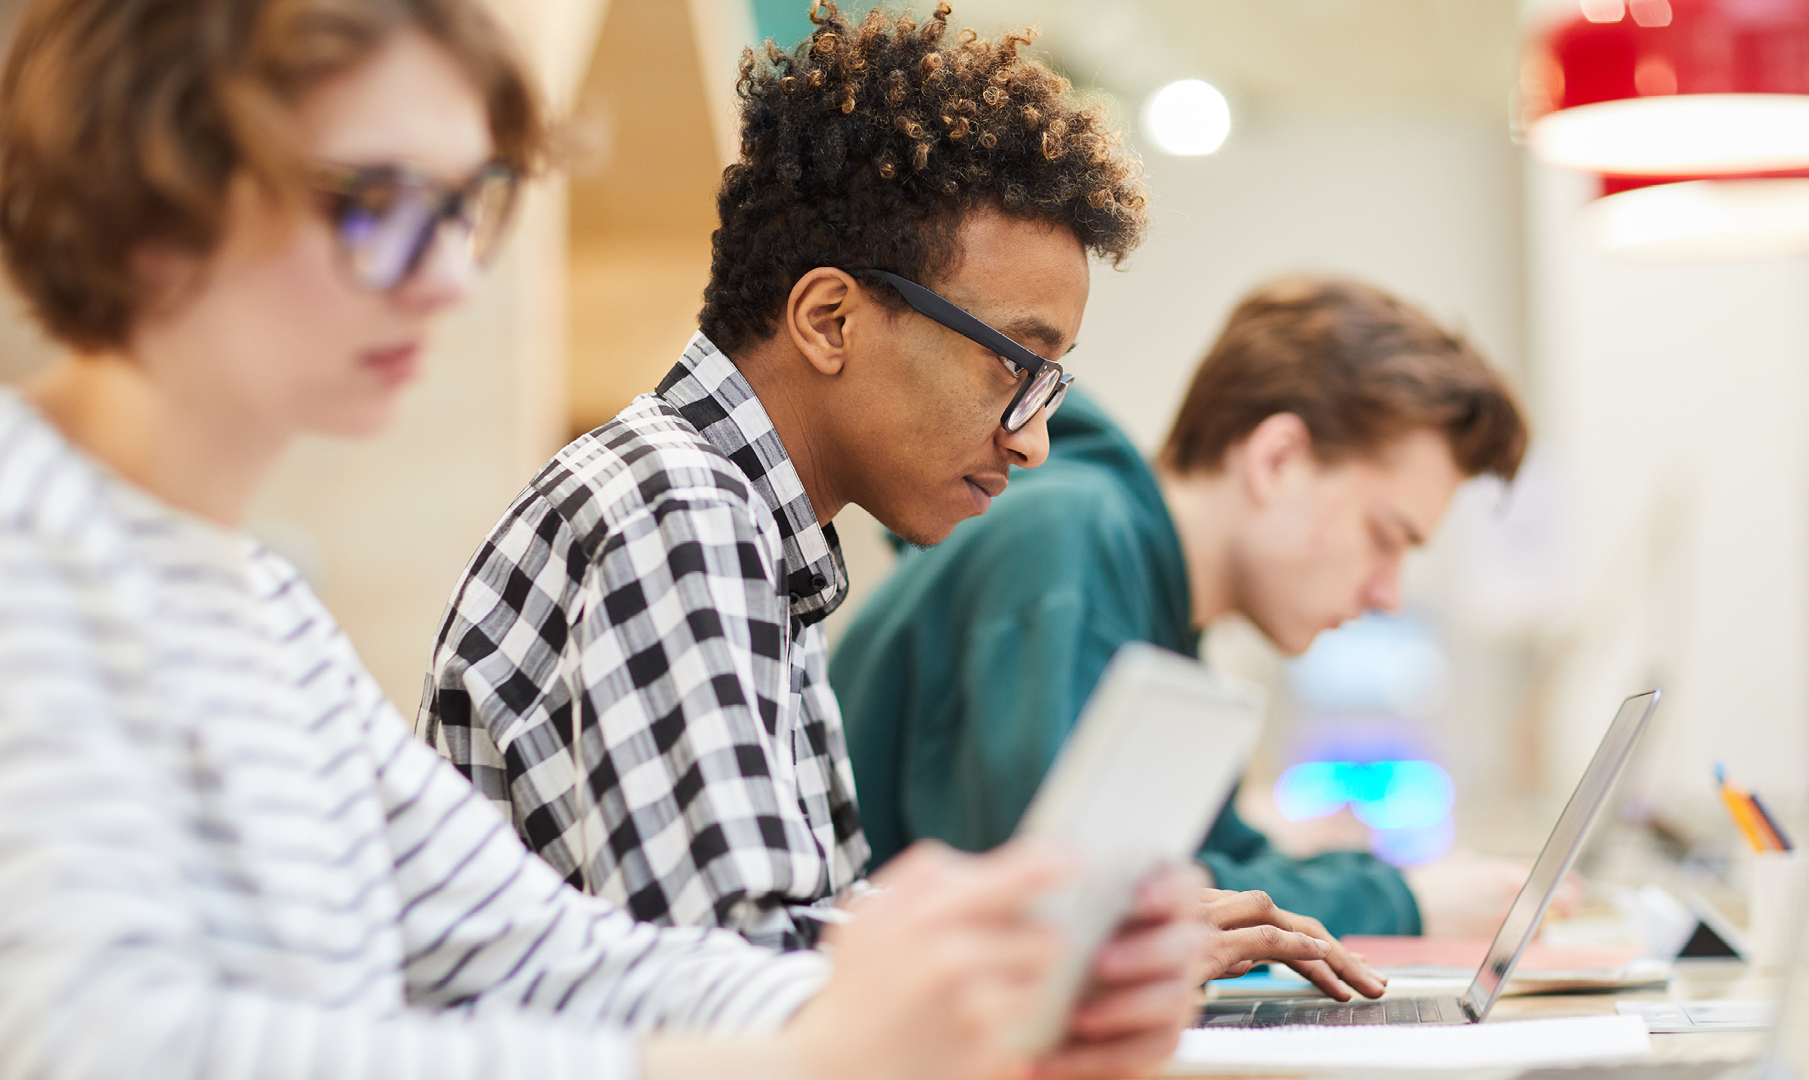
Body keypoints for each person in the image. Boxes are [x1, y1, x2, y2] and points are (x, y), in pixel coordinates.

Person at [0, 0, 1205, 1076]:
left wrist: (982, 1003)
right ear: (151, 192)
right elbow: (99, 1045)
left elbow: (548, 955)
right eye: (377, 207)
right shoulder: (29, 552)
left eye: (471, 209)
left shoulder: (258, 608)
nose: (450, 282)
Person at [416, 0, 1383, 997]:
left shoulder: (748, 527)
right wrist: (1062, 952)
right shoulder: (678, 508)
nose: (1036, 439)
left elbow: (794, 922)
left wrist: (1078, 930)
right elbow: (740, 988)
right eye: (1015, 366)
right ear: (830, 319)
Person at [831, 276, 1546, 942]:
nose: (1388, 592)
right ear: (1278, 460)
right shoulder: (1069, 543)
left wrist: (1393, 886)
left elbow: (1207, 863)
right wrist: (1405, 902)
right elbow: (1064, 911)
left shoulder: (1156, 611)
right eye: (1385, 538)